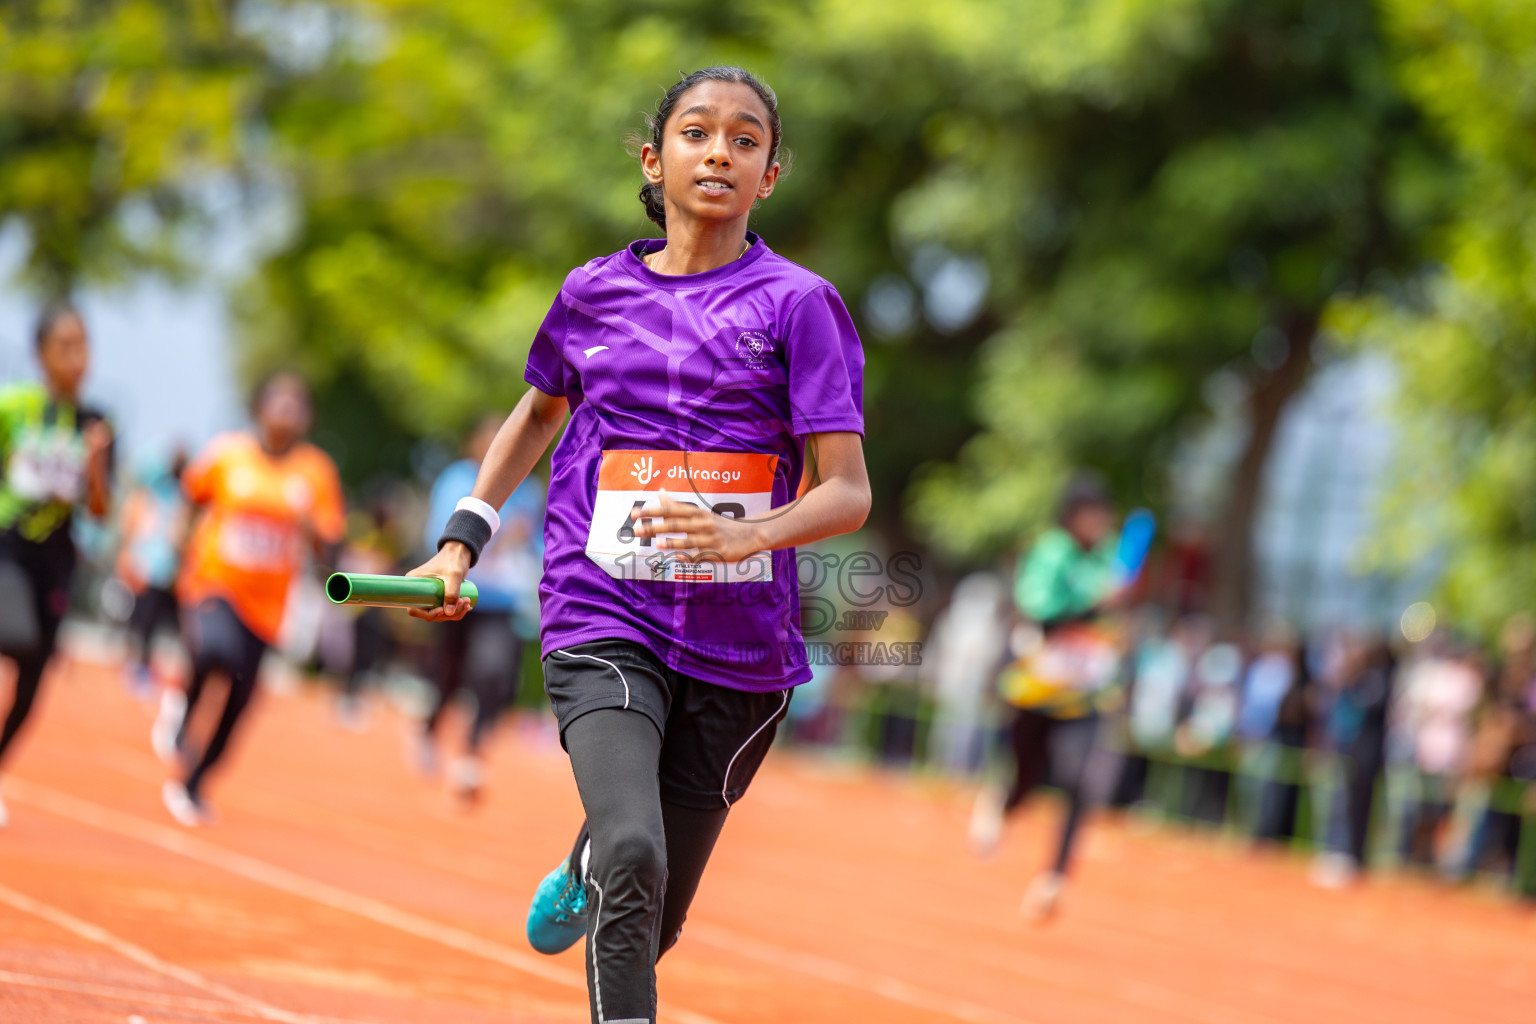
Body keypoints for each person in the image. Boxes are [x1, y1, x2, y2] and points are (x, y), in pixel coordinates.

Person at [407, 66, 868, 1024]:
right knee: (636, 854)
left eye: (746, 141)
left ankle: (590, 857)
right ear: (656, 163)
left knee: (647, 919)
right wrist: (461, 541)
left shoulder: (800, 305)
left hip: (743, 651)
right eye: (698, 134)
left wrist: (748, 533)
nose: (721, 153)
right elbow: (537, 415)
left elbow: (848, 493)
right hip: (600, 609)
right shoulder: (592, 293)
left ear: (769, 175)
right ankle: (606, 855)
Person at [151, 371, 344, 825]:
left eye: (297, 406)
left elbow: (328, 541)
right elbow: (191, 496)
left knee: (239, 701)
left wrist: (311, 530)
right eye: (280, 402)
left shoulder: (315, 472)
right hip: (215, 581)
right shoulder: (228, 454)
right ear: (260, 407)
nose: (287, 413)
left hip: (269, 605)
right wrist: (178, 543)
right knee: (214, 650)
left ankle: (194, 782)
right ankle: (180, 708)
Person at [972, 472, 1126, 920]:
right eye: (1089, 512)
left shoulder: (1106, 558)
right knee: (1027, 779)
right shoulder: (1051, 552)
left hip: (1086, 693)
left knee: (1081, 781)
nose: (1097, 521)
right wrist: (1098, 605)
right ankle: (1002, 803)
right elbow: (1042, 616)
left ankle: (1054, 879)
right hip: (1038, 687)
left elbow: (1109, 625)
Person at [0, 305, 113, 827]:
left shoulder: (95, 424)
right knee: (15, 636)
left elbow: (99, 509)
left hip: (58, 555)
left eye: (84, 345)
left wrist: (94, 464)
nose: (77, 358)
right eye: (65, 346)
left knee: (34, 672)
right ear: (41, 353)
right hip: (9, 543)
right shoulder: (13, 406)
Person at [416, 414, 545, 801]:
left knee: (494, 674)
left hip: (502, 600)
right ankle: (430, 727)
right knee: (449, 675)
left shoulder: (531, 492)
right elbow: (440, 533)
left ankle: (472, 751)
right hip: (458, 595)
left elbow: (540, 543)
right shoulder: (458, 480)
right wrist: (500, 536)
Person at [115, 449, 189, 698]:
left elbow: (178, 532)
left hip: (163, 566)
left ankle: (141, 665)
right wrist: (127, 551)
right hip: (145, 561)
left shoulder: (181, 496)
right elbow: (134, 518)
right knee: (140, 620)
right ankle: (133, 665)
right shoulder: (154, 490)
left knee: (153, 622)